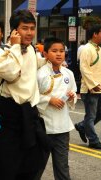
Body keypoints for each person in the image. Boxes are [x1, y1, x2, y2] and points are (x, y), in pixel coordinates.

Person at [0, 10, 47, 180]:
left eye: (32, 28)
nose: (30, 32)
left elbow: (35, 66)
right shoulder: (1, 52)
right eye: (25, 28)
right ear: (14, 31)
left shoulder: (32, 50)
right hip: (7, 116)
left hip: (29, 114)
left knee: (30, 164)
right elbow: (11, 73)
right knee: (3, 166)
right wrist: (16, 47)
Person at [37, 37, 77, 180]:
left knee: (62, 166)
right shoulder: (40, 73)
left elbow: (73, 91)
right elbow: (31, 95)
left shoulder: (69, 73)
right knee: (37, 165)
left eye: (62, 51)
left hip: (62, 126)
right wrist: (49, 99)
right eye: (54, 51)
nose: (59, 54)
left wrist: (72, 97)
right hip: (43, 126)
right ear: (46, 54)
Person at [74, 24, 101, 150]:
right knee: (91, 116)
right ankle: (93, 140)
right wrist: (93, 84)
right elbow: (84, 68)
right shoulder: (86, 49)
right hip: (91, 89)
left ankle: (82, 126)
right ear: (95, 34)